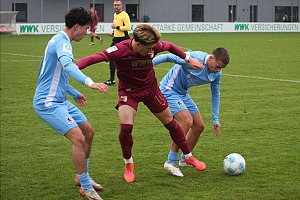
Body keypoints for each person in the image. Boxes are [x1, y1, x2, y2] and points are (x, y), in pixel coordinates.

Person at [76, 24, 207, 183]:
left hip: (151, 90)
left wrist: (188, 59)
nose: (151, 51)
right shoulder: (120, 50)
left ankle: (188, 156)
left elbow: (170, 46)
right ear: (138, 44)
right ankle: (128, 163)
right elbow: (92, 58)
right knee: (126, 128)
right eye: (148, 48)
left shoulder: (152, 47)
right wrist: (72, 68)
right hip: (129, 92)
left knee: (171, 124)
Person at [33, 7, 108, 200]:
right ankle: (85, 186)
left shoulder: (59, 40)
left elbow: (57, 74)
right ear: (76, 26)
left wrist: (74, 92)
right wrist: (90, 82)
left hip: (61, 100)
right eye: (86, 28)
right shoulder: (62, 43)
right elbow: (68, 66)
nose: (86, 32)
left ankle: (82, 176)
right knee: (78, 138)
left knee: (88, 132)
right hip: (48, 103)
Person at [152, 48, 230, 177]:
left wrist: (215, 119)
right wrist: (148, 66)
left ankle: (184, 159)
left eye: (221, 68)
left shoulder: (216, 74)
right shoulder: (194, 58)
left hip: (182, 93)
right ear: (210, 58)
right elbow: (168, 57)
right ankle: (171, 161)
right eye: (217, 66)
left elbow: (216, 94)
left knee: (199, 126)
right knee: (186, 121)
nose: (218, 70)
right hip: (168, 89)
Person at [105, 0, 131, 85]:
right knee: (111, 57)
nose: (116, 7)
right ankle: (112, 79)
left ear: (121, 6)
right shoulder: (115, 15)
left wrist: (117, 27)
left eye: (118, 5)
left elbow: (128, 27)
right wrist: (114, 32)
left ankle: (129, 79)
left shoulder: (124, 15)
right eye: (115, 5)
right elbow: (118, 28)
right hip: (116, 39)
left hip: (124, 39)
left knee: (126, 60)